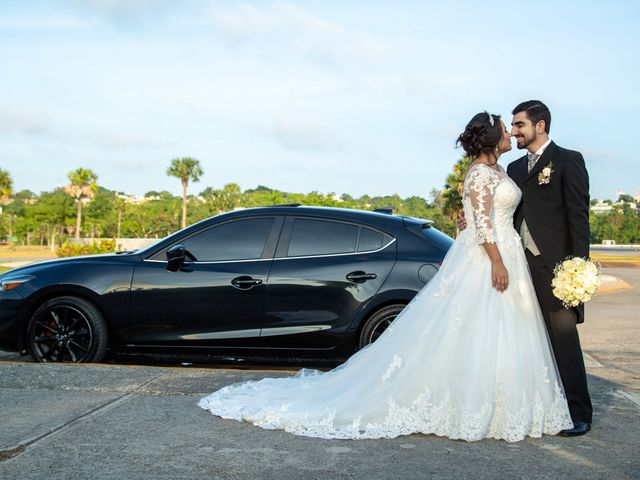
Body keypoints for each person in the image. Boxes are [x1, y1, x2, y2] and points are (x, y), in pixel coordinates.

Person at [198, 112, 573, 442]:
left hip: (505, 252)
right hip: (493, 257)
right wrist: (496, 261)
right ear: (492, 140)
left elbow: (484, 217)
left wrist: (474, 230)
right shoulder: (478, 173)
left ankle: (502, 401)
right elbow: (485, 224)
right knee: (477, 329)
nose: (511, 135)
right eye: (506, 131)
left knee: (500, 332)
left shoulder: (498, 170)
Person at [507, 100, 592, 436]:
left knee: (563, 339)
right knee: (525, 337)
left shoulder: (568, 161)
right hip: (518, 264)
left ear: (539, 126)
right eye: (513, 127)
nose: (514, 132)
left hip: (554, 267)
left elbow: (578, 217)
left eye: (519, 126)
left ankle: (580, 413)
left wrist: (577, 269)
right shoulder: (513, 169)